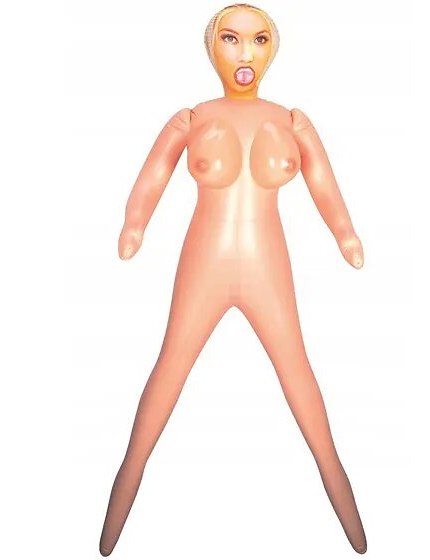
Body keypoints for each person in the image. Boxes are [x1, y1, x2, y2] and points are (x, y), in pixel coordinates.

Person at [100, 3, 367, 555]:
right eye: (231, 38)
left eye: (259, 39)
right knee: (169, 370)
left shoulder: (292, 121)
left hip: (269, 265)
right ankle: (121, 495)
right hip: (204, 263)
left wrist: (346, 235)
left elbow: (324, 185)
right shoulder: (191, 119)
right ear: (211, 47)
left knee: (299, 374)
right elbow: (152, 176)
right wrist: (134, 225)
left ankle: (344, 500)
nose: (245, 52)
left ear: (273, 48)